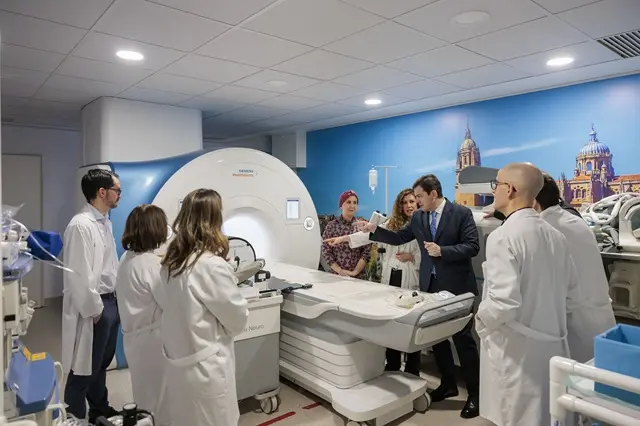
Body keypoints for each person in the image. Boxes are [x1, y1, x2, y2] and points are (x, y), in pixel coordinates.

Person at [357, 175, 480, 419]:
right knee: (438, 339)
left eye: (420, 196)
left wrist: (443, 251)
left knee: (463, 340)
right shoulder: (420, 217)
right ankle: (448, 384)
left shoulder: (461, 214)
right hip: (430, 286)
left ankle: (476, 395)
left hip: (456, 286)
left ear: (433, 194)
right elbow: (400, 237)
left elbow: (472, 246)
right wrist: (374, 231)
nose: (417, 201)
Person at [476, 163, 580, 426]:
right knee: (546, 414)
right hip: (552, 346)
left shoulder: (502, 237)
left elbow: (503, 303)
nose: (493, 191)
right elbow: (571, 292)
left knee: (517, 414)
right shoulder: (556, 236)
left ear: (510, 189)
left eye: (496, 184)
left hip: (517, 352)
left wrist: (481, 320)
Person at [160, 188, 249, 426]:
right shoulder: (211, 266)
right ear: (213, 220)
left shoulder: (171, 263)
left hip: (179, 366)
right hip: (206, 370)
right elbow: (238, 320)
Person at [325, 189, 421, 373]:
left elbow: (427, 253)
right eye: (405, 202)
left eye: (412, 202)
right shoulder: (390, 224)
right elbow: (366, 237)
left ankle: (412, 369)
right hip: (390, 278)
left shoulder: (422, 225)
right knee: (392, 324)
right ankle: (392, 365)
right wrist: (342, 239)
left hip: (410, 278)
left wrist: (412, 257)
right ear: (399, 206)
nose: (409, 205)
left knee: (411, 326)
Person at [534, 173, 616, 362]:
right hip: (598, 315)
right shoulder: (572, 219)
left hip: (576, 324)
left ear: (533, 202)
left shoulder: (545, 229)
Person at [62, 169, 121, 422]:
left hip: (110, 301)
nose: (119, 194)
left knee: (100, 364)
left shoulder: (104, 222)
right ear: (102, 192)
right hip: (96, 307)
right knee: (83, 369)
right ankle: (74, 418)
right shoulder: (80, 226)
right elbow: (79, 276)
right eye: (117, 190)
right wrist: (96, 312)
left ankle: (99, 409)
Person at [115, 205, 171, 425]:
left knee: (144, 393)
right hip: (154, 342)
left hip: (134, 339)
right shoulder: (151, 265)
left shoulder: (126, 258)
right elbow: (170, 303)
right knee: (161, 400)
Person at [321, 190, 371, 279]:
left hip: (359, 277)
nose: (352, 206)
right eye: (348, 202)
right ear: (341, 205)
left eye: (355, 203)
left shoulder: (362, 226)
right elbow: (326, 251)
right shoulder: (331, 226)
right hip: (336, 276)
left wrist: (355, 272)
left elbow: (366, 252)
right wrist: (339, 271)